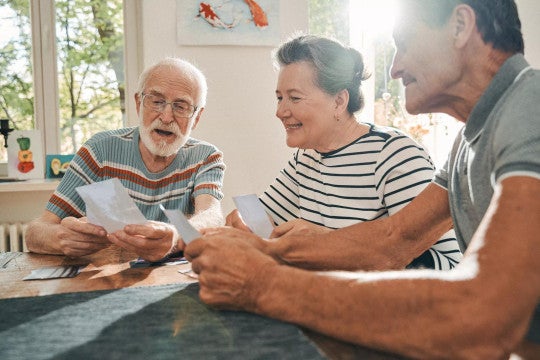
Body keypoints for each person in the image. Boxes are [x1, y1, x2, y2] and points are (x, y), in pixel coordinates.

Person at [185, 0, 540, 358]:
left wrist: (262, 283)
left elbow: (485, 319)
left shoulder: (531, 107)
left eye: (404, 42)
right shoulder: (470, 140)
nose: (396, 68)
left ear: (461, 26)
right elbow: (393, 239)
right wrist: (265, 250)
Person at [226, 35, 462, 270]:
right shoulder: (307, 157)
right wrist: (244, 220)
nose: (280, 111)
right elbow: (266, 217)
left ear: (339, 101)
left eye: (294, 98)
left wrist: (327, 244)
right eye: (279, 98)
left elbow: (451, 267)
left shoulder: (394, 154)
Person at [26, 58, 225, 261]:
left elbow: (212, 217)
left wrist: (175, 237)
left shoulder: (206, 157)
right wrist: (62, 238)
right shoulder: (99, 150)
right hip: (104, 281)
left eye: (181, 106)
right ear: (139, 103)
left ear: (197, 117)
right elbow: (35, 232)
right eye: (156, 102)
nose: (166, 117)